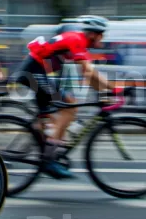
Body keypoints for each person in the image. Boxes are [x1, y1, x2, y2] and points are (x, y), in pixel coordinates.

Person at [13, 15, 114, 179]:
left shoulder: (78, 41)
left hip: (37, 72)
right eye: (101, 35)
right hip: (33, 72)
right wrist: (114, 89)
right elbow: (89, 72)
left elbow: (89, 77)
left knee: (52, 113)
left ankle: (43, 149)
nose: (102, 39)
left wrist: (105, 92)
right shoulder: (77, 40)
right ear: (93, 34)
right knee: (70, 106)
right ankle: (49, 159)